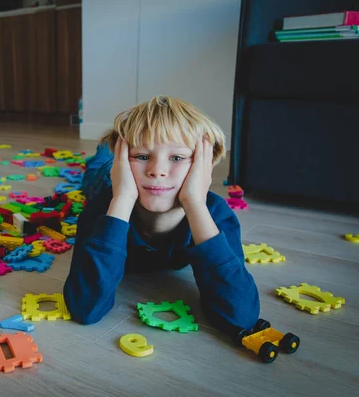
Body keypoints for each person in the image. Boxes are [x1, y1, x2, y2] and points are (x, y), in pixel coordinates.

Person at [63, 95, 259, 336]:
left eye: (176, 158)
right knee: (96, 171)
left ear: (204, 165)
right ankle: (106, 154)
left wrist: (195, 203)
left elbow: (242, 317)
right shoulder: (105, 207)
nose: (157, 171)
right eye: (142, 156)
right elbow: (84, 308)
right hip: (109, 181)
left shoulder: (215, 214)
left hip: (156, 189)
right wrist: (122, 199)